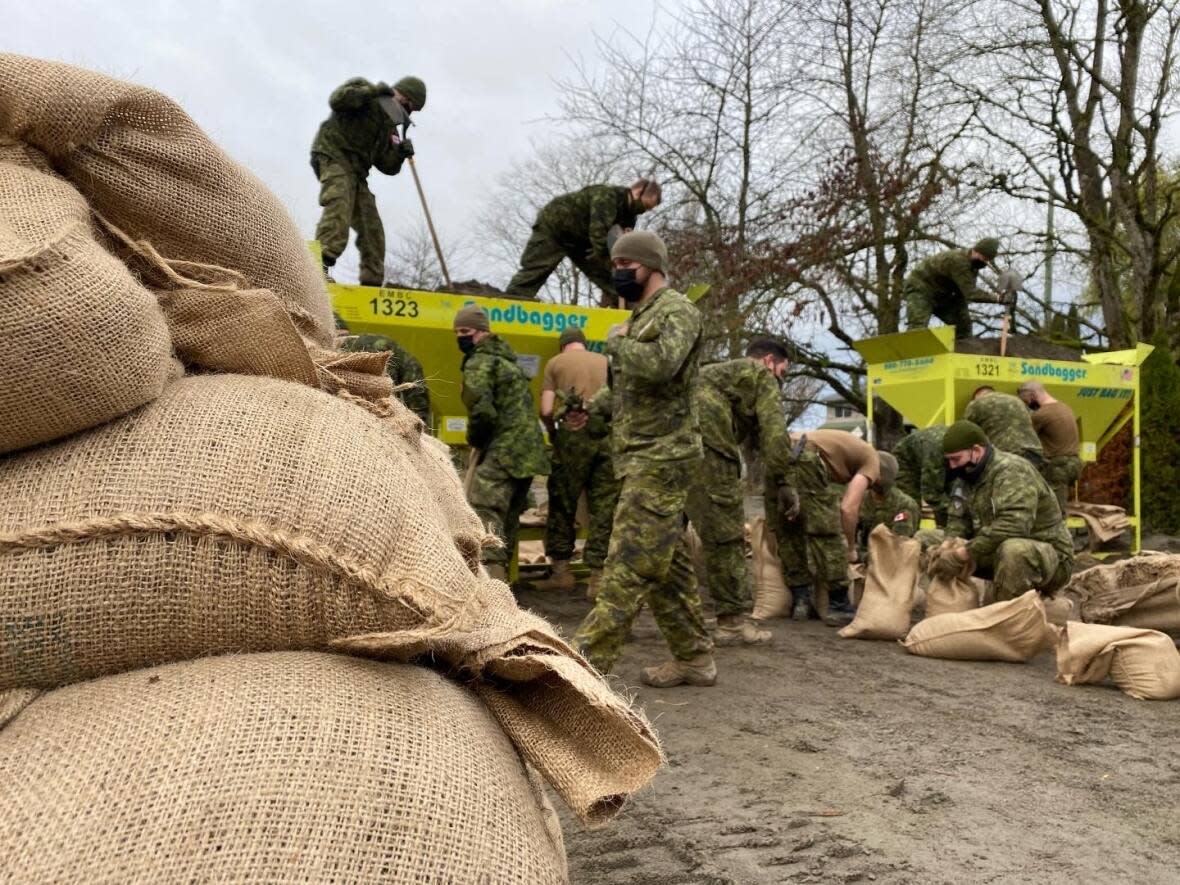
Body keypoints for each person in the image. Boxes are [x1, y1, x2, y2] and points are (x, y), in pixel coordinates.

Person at [572, 230, 716, 688]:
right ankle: (694, 658)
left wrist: (616, 342)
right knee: (666, 566)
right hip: (639, 456)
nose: (618, 273)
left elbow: (661, 365)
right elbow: (626, 388)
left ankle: (582, 667)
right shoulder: (638, 317)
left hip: (663, 458)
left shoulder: (678, 311)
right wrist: (589, 415)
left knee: (629, 562)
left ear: (651, 266)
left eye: (625, 265)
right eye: (615, 264)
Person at [685, 340, 791, 646]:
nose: (781, 379)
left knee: (660, 528)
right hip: (708, 442)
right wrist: (783, 481)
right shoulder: (761, 377)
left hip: (670, 440)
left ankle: (619, 610)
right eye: (783, 371)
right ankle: (732, 624)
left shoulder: (714, 374)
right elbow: (775, 433)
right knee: (725, 529)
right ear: (769, 361)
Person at [453, 304, 549, 581]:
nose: (460, 337)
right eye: (457, 331)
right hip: (529, 452)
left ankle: (492, 586)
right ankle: (506, 582)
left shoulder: (479, 361)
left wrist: (476, 439)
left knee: (484, 513)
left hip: (503, 449)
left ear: (482, 333)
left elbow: (482, 409)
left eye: (466, 331)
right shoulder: (509, 361)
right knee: (507, 522)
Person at [934, 420, 1073, 600]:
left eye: (956, 459)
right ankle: (948, 605)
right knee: (928, 540)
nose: (952, 466)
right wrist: (948, 546)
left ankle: (1006, 620)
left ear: (976, 451)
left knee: (1014, 551)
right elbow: (957, 521)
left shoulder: (1012, 471)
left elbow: (1014, 526)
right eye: (949, 460)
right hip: (993, 549)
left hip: (1048, 557)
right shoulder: (966, 478)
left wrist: (963, 553)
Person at [311, 75, 426, 286]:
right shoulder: (366, 94)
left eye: (412, 109)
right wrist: (371, 92)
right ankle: (316, 268)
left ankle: (372, 282)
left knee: (371, 225)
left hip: (357, 172)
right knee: (339, 205)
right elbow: (337, 100)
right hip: (333, 154)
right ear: (398, 93)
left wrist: (400, 153)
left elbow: (387, 165)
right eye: (407, 103)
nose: (407, 110)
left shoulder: (390, 128)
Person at [533, 326, 619, 596]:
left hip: (571, 438)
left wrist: (553, 432)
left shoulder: (556, 363)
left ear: (563, 346)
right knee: (603, 506)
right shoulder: (606, 361)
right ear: (584, 343)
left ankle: (561, 573)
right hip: (606, 438)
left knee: (562, 503)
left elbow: (546, 409)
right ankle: (598, 578)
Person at [766, 429, 880, 625]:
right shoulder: (873, 463)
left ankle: (801, 601)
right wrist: (851, 549)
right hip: (805, 456)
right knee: (825, 531)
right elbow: (848, 508)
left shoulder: (851, 449)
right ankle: (839, 605)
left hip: (777, 454)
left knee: (789, 527)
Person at [505, 180, 662, 303]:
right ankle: (512, 301)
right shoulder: (607, 197)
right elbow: (599, 235)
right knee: (537, 268)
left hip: (580, 241)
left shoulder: (629, 216)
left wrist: (622, 268)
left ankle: (627, 307)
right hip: (555, 227)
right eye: (645, 205)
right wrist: (613, 262)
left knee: (609, 277)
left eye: (648, 209)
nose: (644, 210)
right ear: (636, 192)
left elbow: (623, 245)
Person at [903, 238, 1009, 339]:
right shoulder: (959, 261)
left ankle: (961, 353)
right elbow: (971, 293)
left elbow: (962, 294)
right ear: (976, 251)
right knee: (917, 327)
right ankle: (910, 356)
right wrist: (998, 298)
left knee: (963, 326)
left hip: (943, 295)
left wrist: (962, 315)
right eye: (984, 258)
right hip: (921, 288)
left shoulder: (972, 267)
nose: (984, 262)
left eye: (987, 260)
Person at [339, 333, 431, 426]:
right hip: (384, 408)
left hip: (346, 404)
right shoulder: (406, 359)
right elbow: (417, 395)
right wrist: (420, 422)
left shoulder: (348, 341)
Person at [1017, 381, 1082, 510]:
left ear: (1033, 396)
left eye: (1027, 401)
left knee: (1054, 512)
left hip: (1057, 467)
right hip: (1074, 464)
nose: (1028, 405)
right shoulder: (1065, 407)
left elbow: (1023, 439)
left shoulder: (1041, 414)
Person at [963, 386, 1044, 466]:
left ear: (977, 396)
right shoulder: (1016, 400)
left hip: (1009, 454)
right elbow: (1033, 419)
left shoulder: (976, 404)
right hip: (1034, 452)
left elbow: (965, 433)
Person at [858, 452, 920, 552]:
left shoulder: (904, 504)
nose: (878, 479)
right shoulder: (861, 499)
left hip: (892, 559)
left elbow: (899, 542)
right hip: (863, 556)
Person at [893, 424, 949, 527]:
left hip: (926, 455)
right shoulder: (935, 450)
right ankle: (903, 537)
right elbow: (931, 493)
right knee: (910, 507)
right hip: (906, 463)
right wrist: (947, 525)